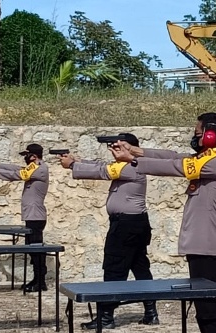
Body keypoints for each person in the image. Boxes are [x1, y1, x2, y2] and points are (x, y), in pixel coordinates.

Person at [110, 113, 216, 333]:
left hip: (209, 248)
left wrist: (133, 160)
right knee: (206, 311)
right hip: (202, 246)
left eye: (198, 133)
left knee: (209, 312)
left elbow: (176, 166)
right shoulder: (209, 159)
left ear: (210, 134)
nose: (194, 138)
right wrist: (135, 150)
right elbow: (174, 156)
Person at [58, 133, 159, 330]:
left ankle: (106, 317)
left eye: (121, 147)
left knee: (114, 268)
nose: (116, 151)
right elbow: (102, 164)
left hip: (125, 225)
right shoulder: (134, 164)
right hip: (135, 223)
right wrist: (78, 161)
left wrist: (72, 166)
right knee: (140, 268)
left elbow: (102, 171)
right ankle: (151, 312)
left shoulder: (132, 166)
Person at [0, 144, 49, 292]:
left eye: (27, 155)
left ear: (33, 156)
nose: (25, 158)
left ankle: (41, 281)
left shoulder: (40, 168)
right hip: (32, 215)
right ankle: (37, 279)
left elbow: (18, 175)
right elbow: (17, 169)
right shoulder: (34, 168)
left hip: (36, 216)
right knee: (32, 251)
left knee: (37, 250)